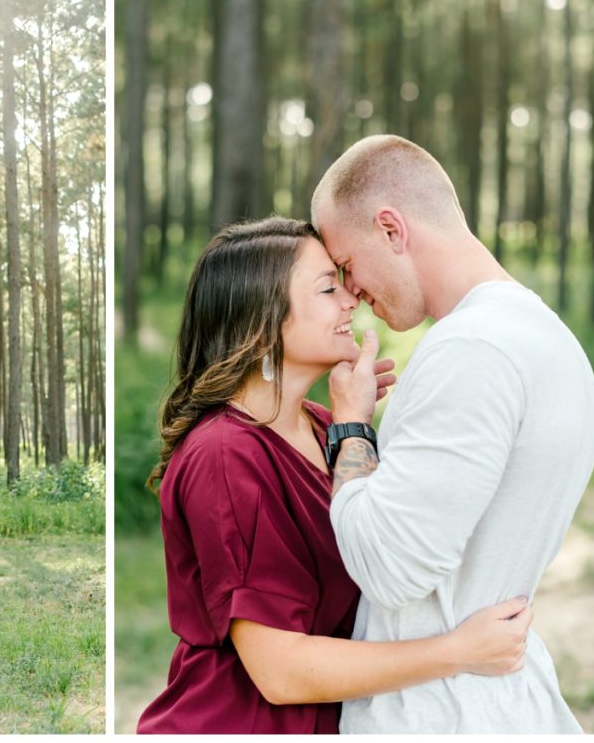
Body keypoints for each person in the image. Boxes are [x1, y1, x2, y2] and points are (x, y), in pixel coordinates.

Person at [137, 217, 532, 734]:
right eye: (327, 287)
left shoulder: (325, 424)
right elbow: (280, 673)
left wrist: (355, 427)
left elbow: (384, 540)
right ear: (263, 320)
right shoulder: (224, 455)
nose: (352, 299)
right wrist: (459, 652)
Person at [311, 134, 594, 733]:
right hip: (491, 701)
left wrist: (351, 426)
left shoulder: (472, 351)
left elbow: (390, 567)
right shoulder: (549, 338)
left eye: (345, 265)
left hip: (434, 715)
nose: (352, 293)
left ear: (391, 229)